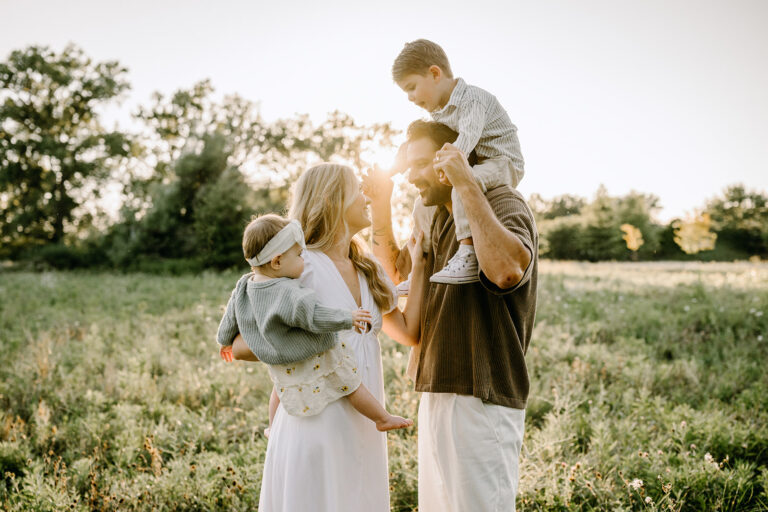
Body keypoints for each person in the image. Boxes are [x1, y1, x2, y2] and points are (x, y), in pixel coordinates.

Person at [229, 163, 425, 512]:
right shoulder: (299, 269)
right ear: (330, 199)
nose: (365, 196)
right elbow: (241, 345)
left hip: (363, 427)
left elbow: (410, 332)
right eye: (356, 190)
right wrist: (312, 345)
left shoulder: (367, 269)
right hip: (313, 422)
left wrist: (422, 265)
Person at [365, 120, 538, 512]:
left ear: (458, 156)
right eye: (409, 166)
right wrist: (380, 205)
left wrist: (466, 186)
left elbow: (507, 269)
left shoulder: (503, 202)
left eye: (423, 163)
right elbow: (399, 276)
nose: (412, 176)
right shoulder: (438, 218)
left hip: (482, 392)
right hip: (437, 387)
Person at [216, 213, 413, 431]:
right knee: (348, 380)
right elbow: (314, 316)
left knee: (280, 388)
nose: (303, 259)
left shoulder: (244, 285)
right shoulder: (289, 293)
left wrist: (224, 341)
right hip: (307, 350)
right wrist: (348, 317)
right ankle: (381, 418)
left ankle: (273, 428)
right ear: (277, 261)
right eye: (299, 255)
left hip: (278, 359)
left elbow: (230, 317)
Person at [391, 38, 526, 287]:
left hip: (503, 161)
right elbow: (428, 137)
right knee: (422, 206)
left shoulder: (472, 100)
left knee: (464, 183)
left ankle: (467, 254)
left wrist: (448, 168)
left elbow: (468, 137)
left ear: (434, 73)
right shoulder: (438, 111)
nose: (410, 98)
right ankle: (421, 267)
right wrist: (396, 165)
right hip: (478, 161)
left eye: (412, 87)